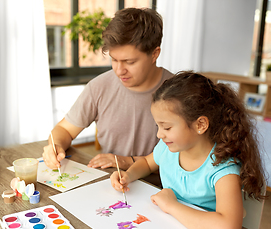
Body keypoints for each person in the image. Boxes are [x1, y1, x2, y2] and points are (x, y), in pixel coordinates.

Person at [110, 71, 266, 229]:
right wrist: (128, 175)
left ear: (200, 124)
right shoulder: (167, 148)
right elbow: (148, 164)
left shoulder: (223, 168)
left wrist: (172, 206)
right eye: (158, 126)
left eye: (167, 127)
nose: (159, 135)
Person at [43, 8, 174, 171]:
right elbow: (64, 129)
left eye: (130, 62)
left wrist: (127, 161)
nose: (119, 70)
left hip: (162, 187)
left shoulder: (178, 91)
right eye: (114, 59)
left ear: (154, 54)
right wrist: (55, 146)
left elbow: (188, 154)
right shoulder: (99, 87)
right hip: (111, 182)